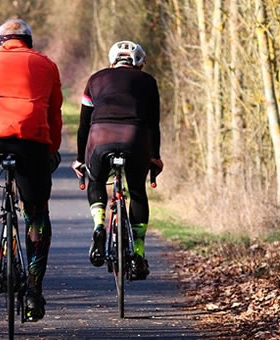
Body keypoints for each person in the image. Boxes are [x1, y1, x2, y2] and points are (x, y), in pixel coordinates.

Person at [0, 18, 62, 321]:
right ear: (28, 42)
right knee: (37, 214)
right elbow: (53, 113)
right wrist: (52, 149)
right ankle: (33, 291)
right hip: (32, 140)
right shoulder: (47, 65)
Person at [71, 41, 162, 280]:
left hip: (100, 137)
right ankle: (139, 253)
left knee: (97, 181)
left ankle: (99, 225)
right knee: (137, 193)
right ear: (139, 63)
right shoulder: (148, 82)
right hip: (136, 138)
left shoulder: (95, 79)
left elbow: (83, 126)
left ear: (112, 61)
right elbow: (153, 124)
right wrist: (155, 157)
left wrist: (81, 159)